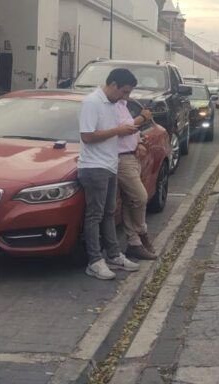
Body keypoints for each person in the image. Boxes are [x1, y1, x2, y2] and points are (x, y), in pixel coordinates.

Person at [78, 68, 141, 280]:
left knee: (108, 213)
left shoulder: (114, 104)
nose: (125, 97)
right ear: (112, 85)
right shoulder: (92, 103)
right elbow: (87, 136)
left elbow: (117, 130)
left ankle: (113, 255)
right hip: (94, 166)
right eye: (123, 92)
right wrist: (118, 131)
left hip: (110, 164)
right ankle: (95, 261)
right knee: (95, 215)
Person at [116, 98, 157, 260]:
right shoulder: (107, 106)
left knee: (130, 200)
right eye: (125, 91)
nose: (128, 94)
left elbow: (131, 131)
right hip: (121, 158)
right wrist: (143, 118)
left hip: (132, 156)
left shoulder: (123, 105)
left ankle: (134, 242)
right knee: (140, 198)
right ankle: (142, 233)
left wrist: (138, 142)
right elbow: (123, 130)